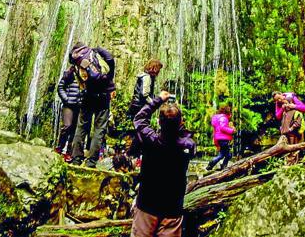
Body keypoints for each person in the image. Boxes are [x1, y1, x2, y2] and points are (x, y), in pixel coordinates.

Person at [131, 91, 196, 237]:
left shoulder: (150, 140)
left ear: (159, 122)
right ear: (181, 123)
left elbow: (139, 118)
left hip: (146, 205)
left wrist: (158, 99)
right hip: (172, 210)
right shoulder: (188, 146)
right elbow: (186, 140)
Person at [70, 43, 116, 168]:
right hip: (102, 97)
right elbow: (110, 59)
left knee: (81, 127)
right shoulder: (94, 54)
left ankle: (76, 159)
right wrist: (99, 49)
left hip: (87, 95)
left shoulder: (76, 60)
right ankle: (91, 161)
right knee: (99, 129)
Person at [55, 63, 85, 162]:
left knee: (74, 130)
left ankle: (68, 152)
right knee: (67, 126)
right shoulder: (69, 73)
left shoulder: (86, 74)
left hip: (79, 106)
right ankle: (59, 148)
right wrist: (66, 99)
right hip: (68, 105)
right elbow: (60, 87)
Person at [206, 104, 235, 171]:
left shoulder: (217, 118)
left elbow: (216, 130)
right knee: (225, 155)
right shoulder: (223, 118)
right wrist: (232, 130)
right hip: (223, 139)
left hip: (220, 139)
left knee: (225, 155)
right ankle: (214, 164)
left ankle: (220, 166)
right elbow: (222, 127)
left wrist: (215, 140)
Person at [280, 96, 305, 165]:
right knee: (286, 152)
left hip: (293, 135)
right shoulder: (285, 113)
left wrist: (291, 128)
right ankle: (288, 164)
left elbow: (298, 122)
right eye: (283, 104)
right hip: (285, 135)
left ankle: (294, 164)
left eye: (286, 103)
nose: (284, 105)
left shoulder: (296, 112)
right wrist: (282, 129)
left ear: (290, 103)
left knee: (294, 150)